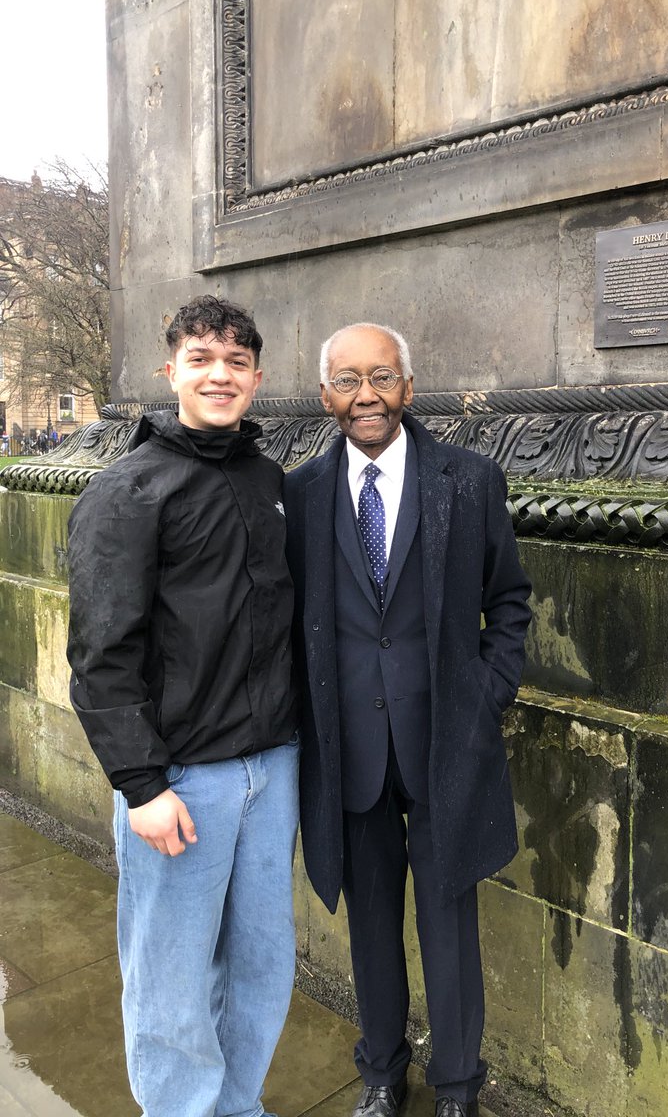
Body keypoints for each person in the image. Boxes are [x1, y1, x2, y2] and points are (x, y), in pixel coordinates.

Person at [283, 324, 531, 1117]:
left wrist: (486, 696)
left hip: (445, 748)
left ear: (408, 388)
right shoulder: (299, 496)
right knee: (372, 930)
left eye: (382, 377)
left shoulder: (470, 480)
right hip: (350, 751)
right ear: (326, 396)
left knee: (449, 924)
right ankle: (383, 1072)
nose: (367, 395)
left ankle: (459, 1086)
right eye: (349, 381)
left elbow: (510, 603)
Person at [66, 295, 299, 1117]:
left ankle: (237, 1107)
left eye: (235, 362)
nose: (219, 375)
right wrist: (140, 783)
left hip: (272, 768)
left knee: (263, 967)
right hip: (182, 784)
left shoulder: (269, 479)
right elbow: (101, 653)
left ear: (257, 378)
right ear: (171, 372)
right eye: (201, 359)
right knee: (170, 982)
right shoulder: (128, 490)